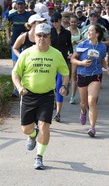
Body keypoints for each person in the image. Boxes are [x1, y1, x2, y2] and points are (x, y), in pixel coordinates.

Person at [11, 23, 69, 170]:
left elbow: (65, 72)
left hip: (47, 96)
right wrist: (19, 87)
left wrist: (63, 85)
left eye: (45, 36)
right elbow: (15, 73)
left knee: (44, 127)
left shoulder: (56, 54)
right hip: (28, 95)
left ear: (49, 37)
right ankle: (32, 134)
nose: (42, 38)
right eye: (39, 36)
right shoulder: (26, 53)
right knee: (26, 129)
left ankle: (39, 157)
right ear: (34, 37)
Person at [70, 24, 109, 137]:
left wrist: (107, 67)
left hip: (96, 75)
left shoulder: (102, 47)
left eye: (91, 30)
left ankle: (92, 128)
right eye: (88, 30)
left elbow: (102, 59)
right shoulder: (83, 44)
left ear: (97, 33)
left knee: (92, 101)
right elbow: (73, 59)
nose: (88, 32)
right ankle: (83, 112)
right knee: (83, 103)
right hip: (82, 74)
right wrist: (81, 63)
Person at [6, 0, 32, 97]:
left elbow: (32, 27)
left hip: (26, 44)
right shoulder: (12, 16)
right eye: (19, 4)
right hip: (15, 44)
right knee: (15, 66)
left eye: (22, 4)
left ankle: (26, 87)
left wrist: (26, 32)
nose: (20, 6)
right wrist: (8, 37)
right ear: (16, 5)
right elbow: (7, 27)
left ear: (25, 5)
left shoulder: (29, 16)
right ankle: (15, 89)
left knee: (26, 66)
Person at [50, 12, 73, 122]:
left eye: (56, 21)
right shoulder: (49, 32)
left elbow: (69, 45)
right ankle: (52, 101)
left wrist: (71, 54)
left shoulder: (67, 33)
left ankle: (58, 113)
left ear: (60, 20)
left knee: (60, 85)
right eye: (52, 22)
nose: (54, 23)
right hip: (51, 62)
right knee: (51, 85)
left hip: (63, 61)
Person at [67, 15, 82, 104]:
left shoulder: (80, 31)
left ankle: (72, 96)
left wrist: (75, 42)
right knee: (67, 74)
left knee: (74, 75)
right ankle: (66, 84)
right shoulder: (66, 31)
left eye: (75, 22)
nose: (73, 23)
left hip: (76, 55)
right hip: (67, 55)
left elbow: (83, 41)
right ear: (69, 22)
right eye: (72, 22)